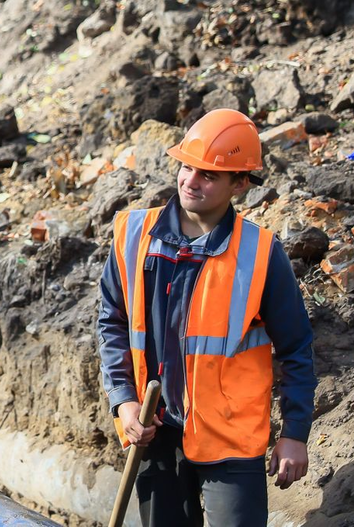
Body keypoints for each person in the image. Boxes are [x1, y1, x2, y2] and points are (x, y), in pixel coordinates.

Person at [97, 108, 316, 526]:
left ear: (239, 183)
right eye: (187, 167)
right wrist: (123, 400)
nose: (190, 181)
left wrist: (293, 433)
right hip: (154, 432)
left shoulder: (260, 254)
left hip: (230, 439)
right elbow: (112, 323)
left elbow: (296, 347)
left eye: (208, 175)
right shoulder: (132, 236)